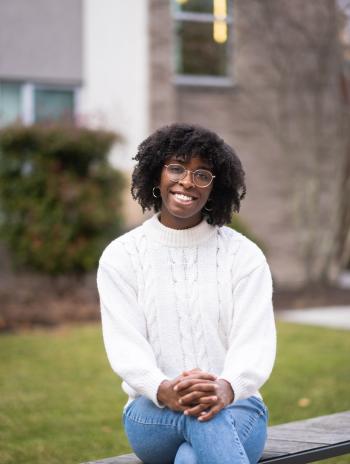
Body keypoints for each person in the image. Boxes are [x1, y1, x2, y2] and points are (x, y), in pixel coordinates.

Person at [97, 123, 276, 464]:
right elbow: (125, 346)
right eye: (176, 168)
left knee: (192, 456)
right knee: (203, 418)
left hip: (239, 409)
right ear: (156, 175)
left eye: (202, 174)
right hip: (152, 414)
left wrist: (224, 388)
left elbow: (256, 343)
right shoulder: (121, 256)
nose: (187, 182)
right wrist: (165, 389)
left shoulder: (244, 256)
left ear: (215, 187)